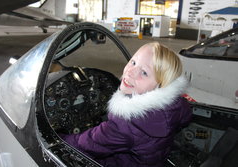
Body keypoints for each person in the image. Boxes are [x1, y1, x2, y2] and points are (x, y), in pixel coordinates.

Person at [61, 42, 192, 167]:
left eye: (144, 72)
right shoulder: (179, 104)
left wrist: (57, 138)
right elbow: (184, 119)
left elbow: (88, 144)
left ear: (160, 85)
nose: (130, 72)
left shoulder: (127, 123)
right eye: (133, 62)